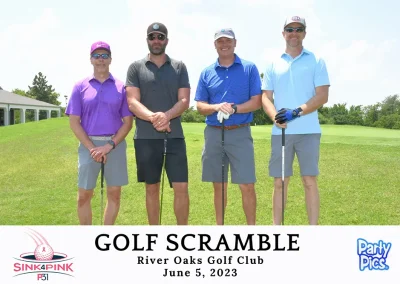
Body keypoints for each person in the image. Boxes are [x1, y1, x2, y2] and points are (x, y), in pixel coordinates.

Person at [261, 16, 330, 225]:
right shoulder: (273, 63)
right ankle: (277, 230)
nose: (294, 33)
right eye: (289, 29)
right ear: (283, 33)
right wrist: (275, 116)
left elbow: (322, 96)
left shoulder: (316, 60)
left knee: (309, 181)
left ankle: (313, 229)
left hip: (308, 131)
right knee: (280, 182)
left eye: (298, 29)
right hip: (280, 132)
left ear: (304, 33)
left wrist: (296, 112)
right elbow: (266, 97)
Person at [195, 28, 262, 225]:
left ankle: (252, 230)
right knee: (219, 186)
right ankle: (220, 228)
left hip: (240, 132)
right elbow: (199, 106)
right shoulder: (207, 72)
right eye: (220, 41)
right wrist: (216, 107)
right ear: (214, 44)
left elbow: (256, 102)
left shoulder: (249, 68)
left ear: (235, 43)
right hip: (214, 133)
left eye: (228, 41)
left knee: (247, 185)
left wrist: (235, 108)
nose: (224, 44)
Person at [125, 22, 190, 225]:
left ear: (166, 41)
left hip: (175, 137)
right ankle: (155, 233)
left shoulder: (179, 66)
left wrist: (167, 116)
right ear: (147, 40)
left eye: (160, 37)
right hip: (145, 138)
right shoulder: (135, 67)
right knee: (151, 187)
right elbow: (132, 102)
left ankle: (183, 233)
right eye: (152, 37)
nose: (156, 41)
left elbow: (184, 100)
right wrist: (156, 118)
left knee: (181, 187)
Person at [66, 41, 134, 225]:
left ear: (110, 59)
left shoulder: (121, 87)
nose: (101, 59)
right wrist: (92, 148)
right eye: (97, 56)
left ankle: (105, 237)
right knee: (84, 195)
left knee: (114, 194)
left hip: (115, 145)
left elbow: (128, 123)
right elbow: (74, 122)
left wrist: (109, 145)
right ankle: (87, 238)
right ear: (91, 59)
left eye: (105, 56)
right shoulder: (80, 86)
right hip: (89, 146)